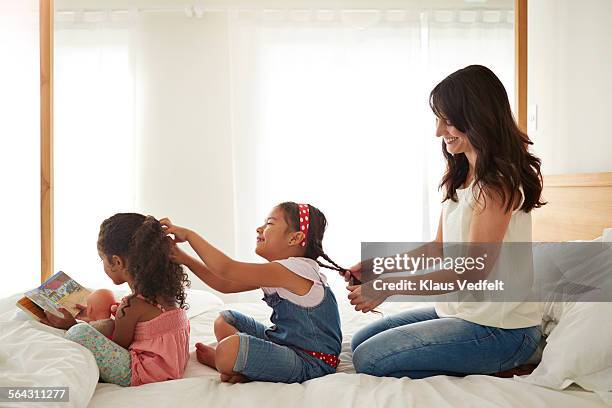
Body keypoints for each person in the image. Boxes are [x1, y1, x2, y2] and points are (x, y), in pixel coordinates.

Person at [344, 65, 545, 379]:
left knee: (369, 359)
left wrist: (388, 287)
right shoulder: (464, 175)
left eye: (448, 120)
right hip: (463, 314)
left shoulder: (497, 185)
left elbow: (473, 270)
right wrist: (378, 267)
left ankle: (509, 362)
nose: (439, 131)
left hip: (502, 332)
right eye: (438, 119)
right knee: (359, 342)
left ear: (478, 117)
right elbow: (437, 249)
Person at [162, 202, 344, 383]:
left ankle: (230, 362)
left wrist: (189, 235)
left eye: (270, 223)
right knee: (226, 319)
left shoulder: (296, 270)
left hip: (310, 362)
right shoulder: (281, 271)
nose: (259, 228)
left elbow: (226, 269)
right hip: (284, 343)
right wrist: (185, 259)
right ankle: (245, 365)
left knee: (229, 350)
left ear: (294, 238)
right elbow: (225, 284)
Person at [41, 213, 191, 386]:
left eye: (102, 259)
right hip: (171, 365)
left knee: (79, 333)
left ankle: (73, 327)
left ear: (117, 262)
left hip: (144, 374)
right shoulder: (167, 293)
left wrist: (72, 325)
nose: (103, 264)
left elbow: (116, 347)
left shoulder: (132, 306)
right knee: (107, 320)